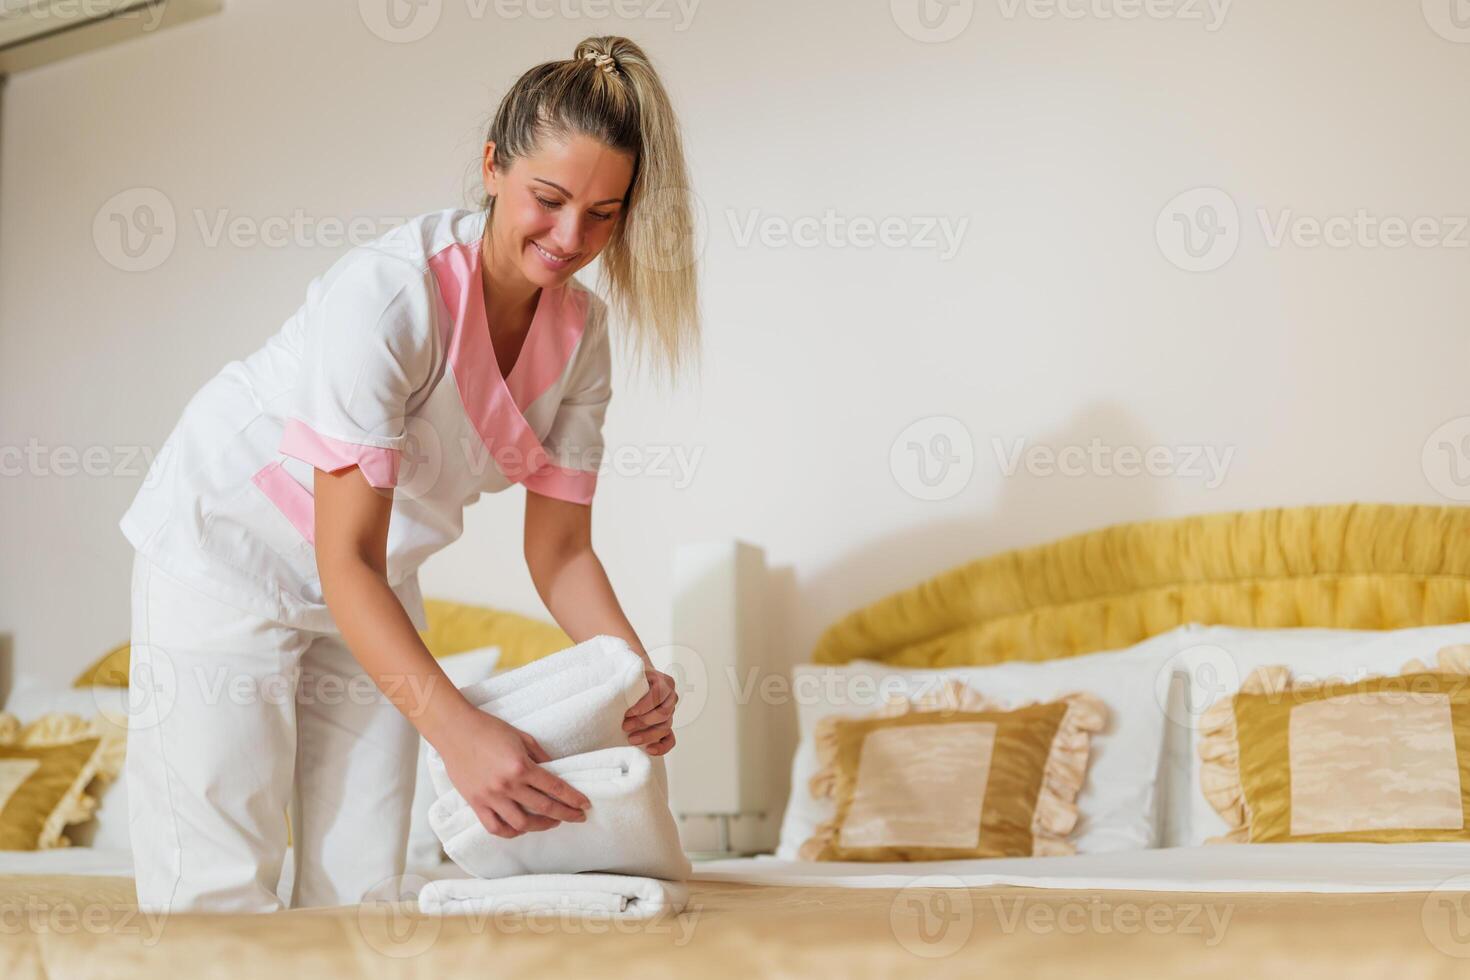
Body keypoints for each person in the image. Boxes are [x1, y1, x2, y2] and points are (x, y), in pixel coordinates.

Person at [116, 35, 700, 914]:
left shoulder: (583, 334)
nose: (572, 237)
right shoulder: (389, 297)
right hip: (227, 548)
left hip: (370, 579)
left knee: (362, 891)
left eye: (605, 213)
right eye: (549, 199)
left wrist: (630, 675)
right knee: (215, 887)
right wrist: (457, 734)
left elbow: (562, 552)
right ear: (493, 165)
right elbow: (339, 551)